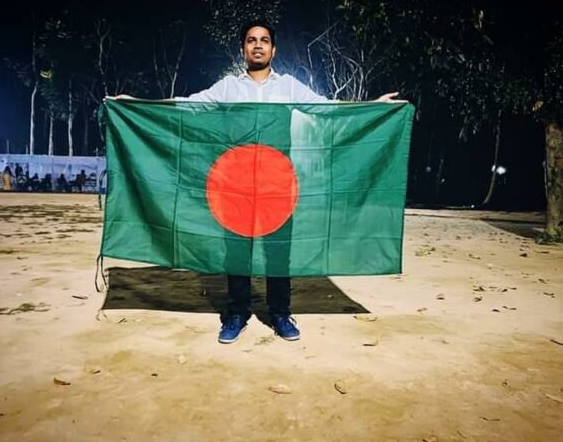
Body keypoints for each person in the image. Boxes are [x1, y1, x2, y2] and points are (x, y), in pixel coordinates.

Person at [112, 20, 407, 344]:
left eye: (264, 40)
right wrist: (136, 104)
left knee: (278, 252)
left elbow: (325, 107)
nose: (257, 45)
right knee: (236, 252)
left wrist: (374, 106)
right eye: (251, 40)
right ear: (243, 48)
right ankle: (236, 313)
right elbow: (190, 104)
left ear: (273, 49)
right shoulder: (228, 88)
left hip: (277, 184)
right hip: (235, 185)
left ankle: (280, 313)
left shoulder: (288, 86)